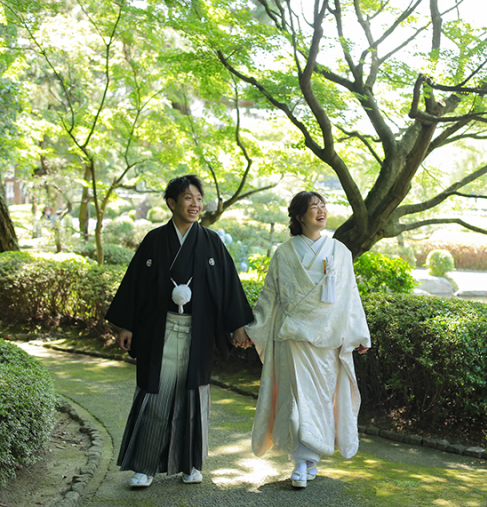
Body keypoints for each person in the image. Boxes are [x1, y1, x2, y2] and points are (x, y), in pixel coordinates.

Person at [105, 174, 254, 488]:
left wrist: (238, 326)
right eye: (188, 198)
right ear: (171, 203)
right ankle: (144, 466)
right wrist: (126, 325)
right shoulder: (155, 240)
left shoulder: (211, 242)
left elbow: (228, 287)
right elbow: (136, 286)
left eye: (199, 198)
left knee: (192, 398)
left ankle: (190, 464)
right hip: (158, 332)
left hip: (196, 333)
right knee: (154, 393)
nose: (196, 204)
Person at [234, 191, 371, 488]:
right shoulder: (284, 252)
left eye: (323, 206)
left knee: (320, 402)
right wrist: (251, 328)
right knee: (293, 401)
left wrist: (360, 333)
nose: (321, 211)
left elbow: (350, 298)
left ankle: (310, 459)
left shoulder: (340, 252)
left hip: (327, 341)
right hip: (291, 339)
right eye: (313, 207)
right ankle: (300, 460)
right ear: (299, 216)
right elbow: (269, 296)